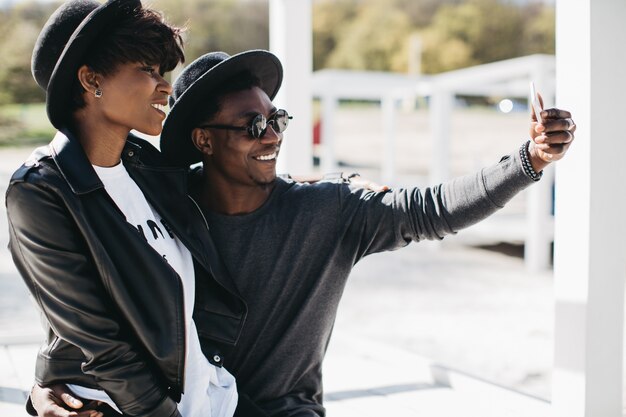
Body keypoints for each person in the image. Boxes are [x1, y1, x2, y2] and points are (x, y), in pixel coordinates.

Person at [34, 49, 576, 417]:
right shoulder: (162, 207)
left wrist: (527, 159)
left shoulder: (330, 209)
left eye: (277, 120)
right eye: (251, 126)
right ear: (203, 140)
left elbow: (432, 210)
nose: (270, 135)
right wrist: (45, 384)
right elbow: (90, 301)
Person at [7, 2, 249, 417]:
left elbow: (235, 189)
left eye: (164, 72)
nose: (165, 86)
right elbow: (99, 341)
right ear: (91, 79)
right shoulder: (41, 191)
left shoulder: (153, 170)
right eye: (148, 70)